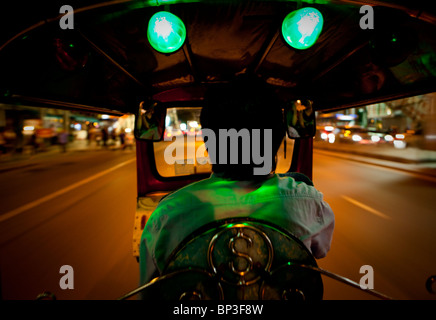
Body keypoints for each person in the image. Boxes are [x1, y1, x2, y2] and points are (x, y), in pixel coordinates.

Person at [139, 74, 335, 286]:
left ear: (208, 140)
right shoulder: (307, 201)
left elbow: (150, 291)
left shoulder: (167, 215)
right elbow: (321, 249)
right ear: (278, 139)